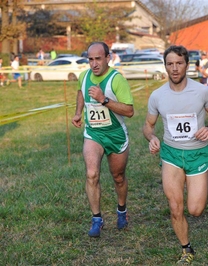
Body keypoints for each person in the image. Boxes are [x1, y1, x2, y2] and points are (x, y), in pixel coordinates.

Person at [142, 45, 208, 264]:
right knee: (175, 207)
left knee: (195, 210)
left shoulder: (202, 91)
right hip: (171, 155)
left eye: (179, 63)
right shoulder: (157, 95)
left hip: (197, 154)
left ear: (187, 65)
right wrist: (152, 138)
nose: (174, 68)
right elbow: (148, 126)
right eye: (170, 64)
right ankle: (186, 249)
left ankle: (199, 184)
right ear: (165, 66)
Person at [71, 41, 134, 237]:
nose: (94, 64)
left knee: (118, 177)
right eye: (90, 59)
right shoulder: (84, 76)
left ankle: (122, 210)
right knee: (92, 174)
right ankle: (97, 219)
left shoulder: (117, 79)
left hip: (115, 135)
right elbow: (81, 92)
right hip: (94, 133)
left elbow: (130, 111)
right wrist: (78, 112)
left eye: (98, 59)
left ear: (108, 58)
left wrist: (103, 99)